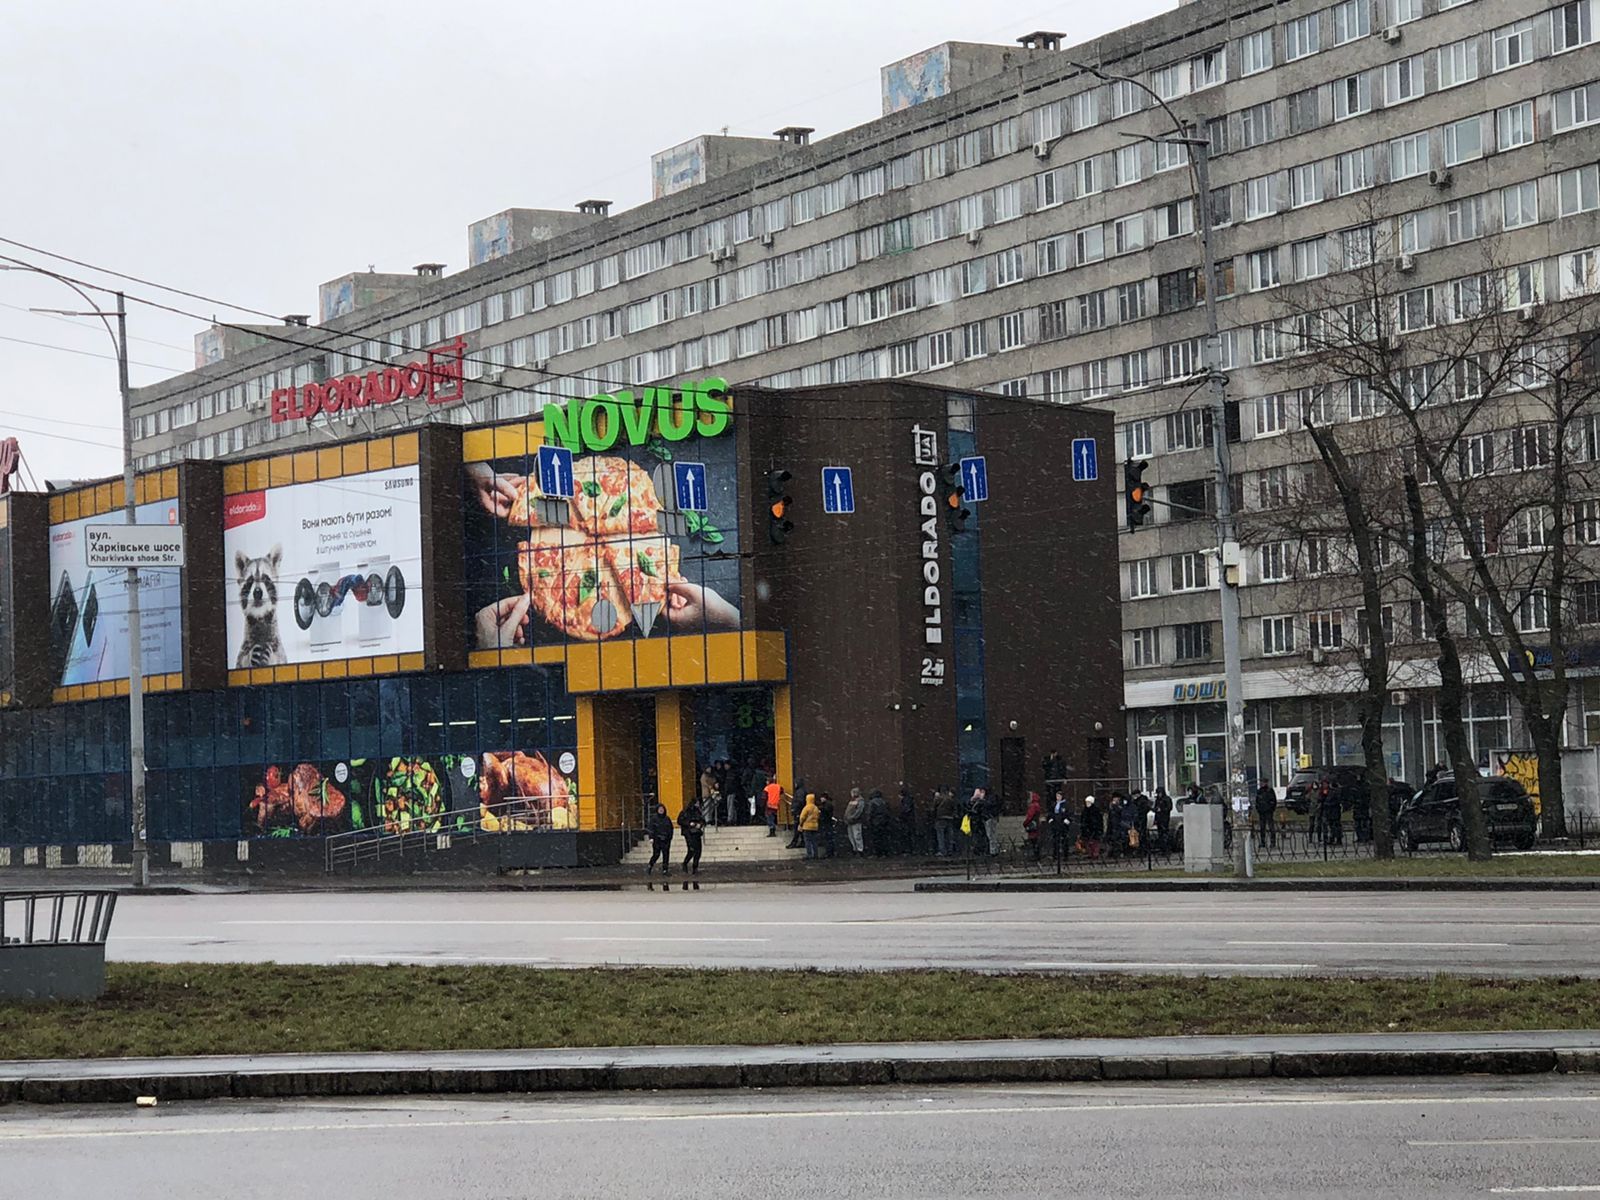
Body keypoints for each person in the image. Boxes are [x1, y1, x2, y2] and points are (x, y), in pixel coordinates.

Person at [645, 802, 674, 876]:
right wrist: (651, 837)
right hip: (657, 839)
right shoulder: (654, 819)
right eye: (660, 809)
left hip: (666, 840)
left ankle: (665, 869)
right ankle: (650, 866)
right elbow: (651, 828)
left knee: (666, 855)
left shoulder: (667, 818)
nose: (661, 810)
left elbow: (670, 828)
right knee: (656, 854)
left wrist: (669, 837)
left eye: (662, 809)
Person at [678, 800, 705, 875]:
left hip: (697, 833)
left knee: (698, 851)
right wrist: (689, 823)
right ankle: (685, 863)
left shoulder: (698, 812)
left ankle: (695, 867)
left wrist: (700, 824)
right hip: (689, 833)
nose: (698, 805)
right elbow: (680, 821)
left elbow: (703, 820)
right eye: (696, 803)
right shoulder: (685, 812)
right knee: (692, 850)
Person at [1049, 790, 1074, 869]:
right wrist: (1050, 819)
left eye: (1059, 796)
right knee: (1055, 840)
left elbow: (1069, 814)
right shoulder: (1054, 804)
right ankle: (1055, 855)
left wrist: (1067, 820)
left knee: (1064, 840)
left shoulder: (1066, 805)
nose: (1058, 798)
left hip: (1063, 825)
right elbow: (1051, 813)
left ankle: (1065, 855)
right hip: (1055, 825)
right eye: (1057, 796)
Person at [932, 787, 957, 857]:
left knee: (940, 835)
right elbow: (954, 808)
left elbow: (933, 808)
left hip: (940, 818)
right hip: (949, 818)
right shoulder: (951, 799)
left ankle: (942, 851)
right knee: (949, 835)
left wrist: (934, 817)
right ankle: (950, 850)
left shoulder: (938, 798)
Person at [867, 789, 892, 856]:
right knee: (884, 838)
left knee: (876, 839)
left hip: (875, 822)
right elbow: (888, 812)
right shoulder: (885, 802)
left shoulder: (872, 802)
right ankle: (885, 852)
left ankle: (878, 853)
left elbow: (870, 813)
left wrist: (869, 821)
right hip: (884, 822)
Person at [797, 792, 822, 859]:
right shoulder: (816, 808)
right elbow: (818, 816)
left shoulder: (806, 808)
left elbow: (802, 817)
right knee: (814, 841)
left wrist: (800, 824)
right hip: (815, 826)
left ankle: (809, 854)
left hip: (807, 827)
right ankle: (815, 854)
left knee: (807, 841)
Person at [1254, 780, 1277, 849]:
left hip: (1268, 812)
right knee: (1262, 828)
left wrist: (1271, 809)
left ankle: (1273, 842)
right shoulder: (1260, 791)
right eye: (1262, 783)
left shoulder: (1270, 791)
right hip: (1261, 812)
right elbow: (1257, 801)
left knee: (1271, 827)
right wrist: (1258, 808)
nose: (1263, 784)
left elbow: (1273, 801)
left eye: (1264, 782)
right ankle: (1262, 842)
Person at [1080, 793, 1104, 861]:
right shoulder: (1085, 810)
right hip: (1087, 829)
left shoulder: (1096, 811)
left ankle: (1095, 854)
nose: (1087, 803)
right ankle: (1090, 853)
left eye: (1088, 802)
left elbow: (1098, 820)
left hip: (1094, 829)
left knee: (1095, 842)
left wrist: (1096, 827)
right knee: (1088, 842)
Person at [1022, 791, 1044, 863]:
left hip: (1033, 825)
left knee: (1033, 840)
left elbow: (1029, 816)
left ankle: (1035, 855)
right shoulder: (1037, 805)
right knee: (1036, 841)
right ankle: (1037, 855)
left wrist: (1025, 823)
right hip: (1036, 825)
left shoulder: (1033, 806)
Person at [844, 788, 867, 855]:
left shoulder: (860, 801)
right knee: (852, 836)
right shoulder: (854, 800)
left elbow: (859, 811)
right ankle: (855, 849)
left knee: (857, 835)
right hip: (850, 821)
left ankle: (860, 850)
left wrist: (852, 817)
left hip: (855, 821)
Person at [1320, 780, 1343, 846]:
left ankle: (1338, 839)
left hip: (1334, 811)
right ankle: (1332, 838)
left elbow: (1337, 801)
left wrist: (1328, 804)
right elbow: (1323, 799)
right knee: (1331, 826)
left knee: (1336, 825)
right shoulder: (1327, 791)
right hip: (1329, 811)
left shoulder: (1336, 792)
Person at [897, 782, 918, 855]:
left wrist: (900, 817)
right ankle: (911, 850)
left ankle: (908, 850)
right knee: (910, 835)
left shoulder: (906, 800)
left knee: (906, 835)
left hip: (906, 821)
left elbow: (905, 810)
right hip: (910, 820)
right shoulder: (910, 799)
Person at [1153, 786, 1173, 853]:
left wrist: (1162, 810)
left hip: (1165, 819)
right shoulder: (1157, 800)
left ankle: (1166, 848)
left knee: (1165, 834)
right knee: (1160, 835)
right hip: (1159, 819)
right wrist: (1155, 820)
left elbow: (1169, 808)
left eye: (1159, 793)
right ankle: (1162, 848)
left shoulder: (1167, 799)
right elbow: (1155, 809)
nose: (1159, 795)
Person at [818, 791, 837, 858]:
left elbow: (826, 812)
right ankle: (831, 852)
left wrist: (820, 810)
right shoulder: (828, 804)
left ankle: (829, 852)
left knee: (828, 838)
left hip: (826, 823)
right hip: (828, 823)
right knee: (829, 838)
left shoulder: (826, 805)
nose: (820, 799)